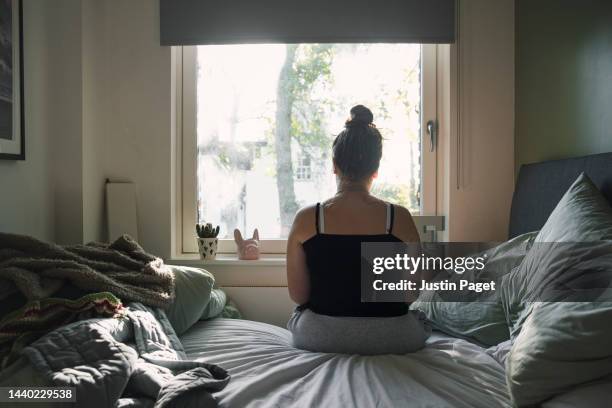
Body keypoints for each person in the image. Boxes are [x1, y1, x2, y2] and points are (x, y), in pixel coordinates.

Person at [286, 105, 430, 354]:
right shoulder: (399, 218)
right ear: (376, 169)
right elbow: (410, 294)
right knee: (423, 321)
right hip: (392, 336)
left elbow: (299, 296)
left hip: (321, 336)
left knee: (297, 318)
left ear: (334, 165)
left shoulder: (307, 219)